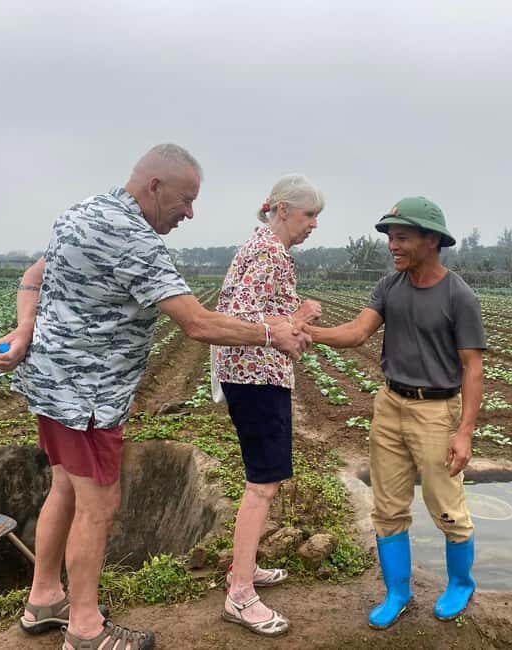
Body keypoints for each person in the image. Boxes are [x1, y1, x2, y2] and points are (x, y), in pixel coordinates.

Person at [0, 145, 311, 650]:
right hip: (89, 397)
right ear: (154, 186)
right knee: (99, 505)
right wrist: (273, 334)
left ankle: (44, 600)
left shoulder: (85, 212)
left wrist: (25, 329)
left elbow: (34, 276)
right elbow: (196, 322)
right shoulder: (135, 240)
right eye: (185, 200)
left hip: (51, 387)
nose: (190, 213)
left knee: (65, 490)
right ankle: (85, 628)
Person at [307, 197, 486, 628]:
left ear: (431, 240)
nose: (393, 246)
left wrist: (464, 432)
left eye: (402, 237)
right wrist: (307, 333)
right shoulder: (390, 287)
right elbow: (356, 332)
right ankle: (398, 592)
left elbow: (473, 366)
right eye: (390, 237)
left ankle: (460, 584)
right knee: (387, 507)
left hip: (436, 410)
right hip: (389, 405)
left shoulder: (458, 295)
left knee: (446, 506)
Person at [213, 174, 324, 637]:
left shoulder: (261, 248)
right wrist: (299, 317)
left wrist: (293, 321)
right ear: (281, 210)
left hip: (254, 376)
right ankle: (240, 594)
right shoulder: (269, 252)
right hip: (255, 378)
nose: (313, 225)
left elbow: (254, 313)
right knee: (263, 484)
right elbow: (240, 319)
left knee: (265, 480)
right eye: (309, 215)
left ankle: (246, 566)